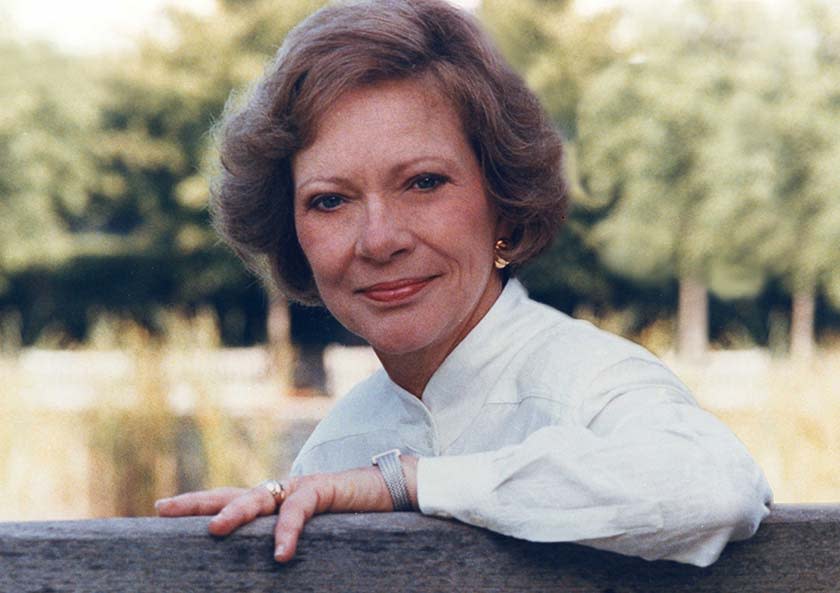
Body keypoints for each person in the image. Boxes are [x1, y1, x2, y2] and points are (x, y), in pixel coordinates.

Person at [155, 0, 772, 567]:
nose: (378, 239)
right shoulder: (335, 450)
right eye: (330, 201)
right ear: (292, 234)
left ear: (502, 201)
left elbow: (712, 487)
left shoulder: (590, 383)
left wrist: (410, 482)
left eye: (423, 183)